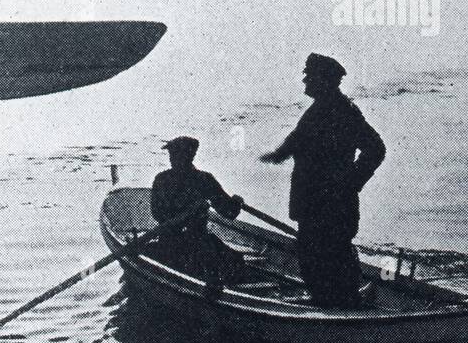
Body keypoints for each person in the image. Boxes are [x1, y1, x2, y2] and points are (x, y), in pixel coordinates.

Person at [260, 53, 386, 308]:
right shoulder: (318, 110)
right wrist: (276, 155)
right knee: (312, 254)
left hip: (333, 201)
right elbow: (296, 140)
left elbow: (376, 148)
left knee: (331, 253)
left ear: (325, 80)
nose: (304, 79)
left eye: (309, 74)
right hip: (312, 201)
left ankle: (344, 303)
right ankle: (330, 302)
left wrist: (351, 182)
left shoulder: (344, 111)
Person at [149, 136, 244, 286]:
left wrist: (235, 203)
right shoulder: (204, 179)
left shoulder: (162, 179)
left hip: (174, 243)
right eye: (172, 155)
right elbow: (230, 212)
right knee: (233, 262)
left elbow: (157, 214)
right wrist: (236, 203)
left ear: (189, 156)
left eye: (174, 155)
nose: (172, 159)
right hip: (191, 243)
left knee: (234, 260)